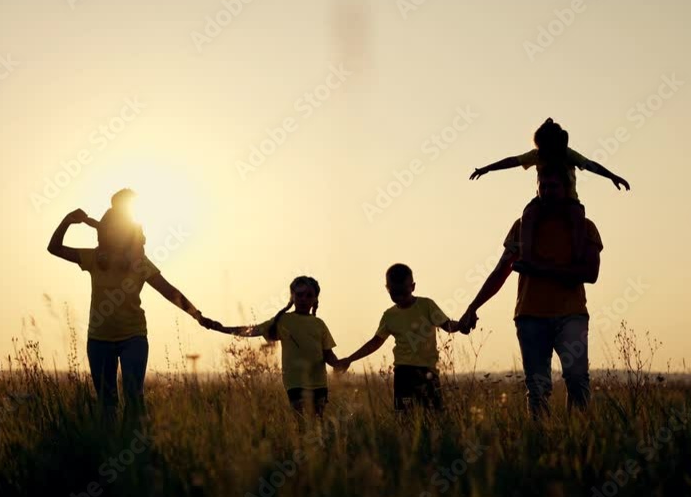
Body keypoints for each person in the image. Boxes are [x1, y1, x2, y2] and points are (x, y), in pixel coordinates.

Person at [46, 202, 211, 426]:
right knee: (107, 404)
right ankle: (112, 448)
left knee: (134, 398)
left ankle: (135, 444)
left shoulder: (139, 263)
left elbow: (169, 291)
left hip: (133, 337)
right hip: (99, 340)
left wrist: (197, 315)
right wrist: (67, 221)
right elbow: (54, 248)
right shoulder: (94, 258)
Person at [460, 165, 603, 419]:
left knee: (577, 379)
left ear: (566, 189)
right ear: (536, 187)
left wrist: (539, 268)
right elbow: (500, 271)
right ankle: (541, 442)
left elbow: (590, 274)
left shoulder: (585, 227)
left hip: (571, 315)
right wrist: (473, 306)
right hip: (530, 316)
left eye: (554, 186)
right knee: (537, 387)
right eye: (543, 185)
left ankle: (580, 440)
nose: (547, 191)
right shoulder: (522, 226)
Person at [468, 118, 628, 264]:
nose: (545, 153)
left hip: (568, 199)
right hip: (543, 199)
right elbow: (512, 161)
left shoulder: (568, 154)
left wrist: (611, 176)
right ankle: (526, 257)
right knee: (528, 215)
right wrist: (487, 169)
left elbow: (591, 165)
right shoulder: (537, 155)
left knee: (577, 217)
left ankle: (577, 258)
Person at [203, 276, 341, 419]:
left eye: (309, 295)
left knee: (317, 423)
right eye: (299, 295)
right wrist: (220, 328)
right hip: (295, 383)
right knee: (302, 421)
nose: (304, 299)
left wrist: (338, 364)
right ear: (292, 297)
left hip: (319, 384)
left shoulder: (319, 324)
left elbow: (328, 354)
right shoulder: (284, 320)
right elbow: (253, 330)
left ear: (315, 300)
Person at [338, 264, 467, 412]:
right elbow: (375, 342)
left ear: (412, 287)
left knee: (433, 415)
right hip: (403, 374)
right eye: (395, 293)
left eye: (403, 293)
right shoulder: (389, 316)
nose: (400, 298)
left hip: (428, 373)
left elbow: (448, 325)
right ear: (387, 289)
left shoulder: (427, 305)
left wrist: (463, 325)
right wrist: (350, 359)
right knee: (405, 418)